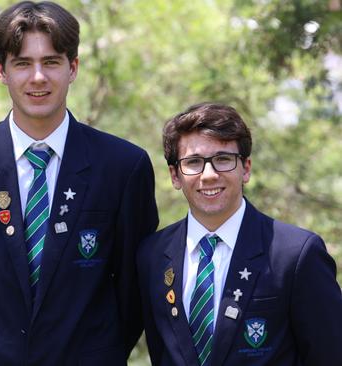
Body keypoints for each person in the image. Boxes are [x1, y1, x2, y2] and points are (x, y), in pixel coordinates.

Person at [0, 1, 159, 365]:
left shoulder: (123, 166)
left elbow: (133, 289)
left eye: (51, 62)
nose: (38, 77)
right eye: (22, 63)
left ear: (73, 68)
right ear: (1, 71)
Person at [137, 102, 342, 365]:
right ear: (175, 176)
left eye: (223, 159)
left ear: (245, 168)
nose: (209, 175)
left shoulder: (297, 254)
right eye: (194, 162)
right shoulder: (152, 256)